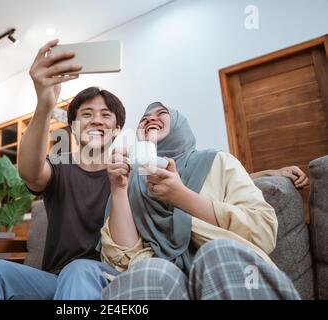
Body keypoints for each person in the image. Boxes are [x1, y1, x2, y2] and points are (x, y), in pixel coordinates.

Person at [0, 39, 125, 300]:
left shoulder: (124, 173)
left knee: (79, 270)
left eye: (106, 115)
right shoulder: (59, 167)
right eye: (87, 114)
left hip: (105, 279)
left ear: (117, 129)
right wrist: (45, 105)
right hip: (52, 280)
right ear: (73, 125)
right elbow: (30, 172)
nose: (96, 120)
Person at [100, 102, 301, 300]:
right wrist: (118, 190)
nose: (150, 118)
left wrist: (182, 197)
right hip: (163, 281)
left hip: (226, 270)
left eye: (161, 113)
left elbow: (263, 230)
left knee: (217, 253)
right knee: (149, 271)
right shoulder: (128, 180)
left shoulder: (218, 161)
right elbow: (123, 260)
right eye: (144, 118)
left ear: (180, 125)